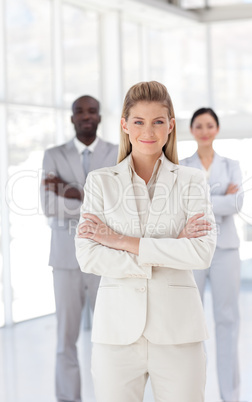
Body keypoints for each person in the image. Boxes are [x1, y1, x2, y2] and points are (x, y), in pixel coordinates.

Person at [75, 81, 217, 402]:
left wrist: (117, 239)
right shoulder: (100, 182)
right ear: (125, 125)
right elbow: (89, 257)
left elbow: (202, 253)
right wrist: (171, 247)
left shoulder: (192, 181)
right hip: (116, 334)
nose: (148, 131)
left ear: (171, 126)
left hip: (179, 333)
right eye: (138, 121)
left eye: (158, 121)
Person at [40, 95, 118, 402]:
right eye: (79, 112)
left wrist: (70, 190)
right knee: (65, 339)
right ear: (72, 118)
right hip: (65, 259)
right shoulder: (53, 155)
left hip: (105, 256)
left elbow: (118, 205)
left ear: (99, 117)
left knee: (110, 338)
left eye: (92, 111)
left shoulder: (115, 153)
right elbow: (48, 204)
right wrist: (93, 202)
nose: (86, 116)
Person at [180, 107, 244, 402]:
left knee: (228, 319)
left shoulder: (232, 165)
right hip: (194, 248)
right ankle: (196, 392)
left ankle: (230, 396)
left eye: (210, 125)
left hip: (226, 249)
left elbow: (236, 203)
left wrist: (204, 200)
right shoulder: (182, 166)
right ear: (191, 130)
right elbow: (183, 206)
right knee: (193, 321)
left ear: (216, 129)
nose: (204, 130)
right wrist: (221, 198)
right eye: (199, 126)